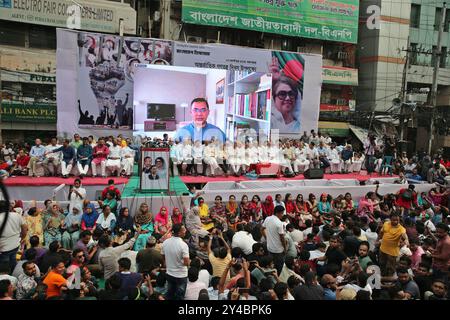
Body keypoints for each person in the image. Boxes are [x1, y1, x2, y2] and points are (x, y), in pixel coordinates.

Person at [161, 223, 190, 300]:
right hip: (181, 276)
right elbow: (186, 263)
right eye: (183, 229)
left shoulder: (165, 242)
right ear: (179, 232)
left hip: (169, 273)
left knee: (170, 294)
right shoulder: (183, 245)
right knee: (179, 297)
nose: (185, 231)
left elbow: (163, 257)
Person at [0, 205, 28, 272]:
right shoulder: (16, 215)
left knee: (4, 267)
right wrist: (22, 238)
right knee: (13, 262)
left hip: (3, 248)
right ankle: (14, 275)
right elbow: (25, 228)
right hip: (15, 244)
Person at [379, 212, 407, 276]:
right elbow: (381, 232)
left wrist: (404, 240)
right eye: (394, 220)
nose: (396, 221)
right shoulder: (386, 224)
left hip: (392, 252)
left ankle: (389, 280)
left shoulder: (401, 229)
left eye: (397, 220)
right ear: (390, 219)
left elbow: (404, 236)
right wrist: (378, 240)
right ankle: (382, 276)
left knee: (391, 267)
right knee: (382, 264)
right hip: (382, 249)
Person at [262, 205, 287, 275]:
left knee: (271, 265)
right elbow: (282, 238)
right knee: (279, 267)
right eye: (282, 213)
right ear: (277, 213)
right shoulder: (279, 223)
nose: (283, 215)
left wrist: (266, 237)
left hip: (269, 248)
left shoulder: (267, 218)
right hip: (278, 250)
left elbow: (261, 229)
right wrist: (285, 248)